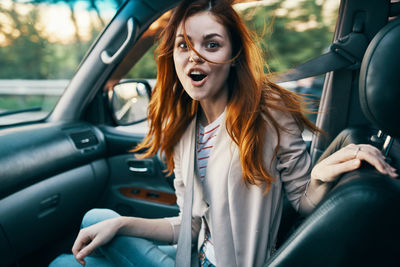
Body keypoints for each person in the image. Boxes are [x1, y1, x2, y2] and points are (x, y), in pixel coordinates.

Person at [50, 0, 398, 266]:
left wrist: (321, 173)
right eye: (184, 45)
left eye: (211, 45)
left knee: (70, 256)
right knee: (100, 223)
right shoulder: (185, 128)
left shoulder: (267, 115)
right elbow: (191, 228)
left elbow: (303, 201)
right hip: (195, 256)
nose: (194, 58)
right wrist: (122, 224)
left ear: (234, 56)